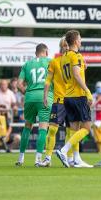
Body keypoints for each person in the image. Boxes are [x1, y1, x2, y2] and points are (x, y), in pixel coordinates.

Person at [56, 30, 93, 168]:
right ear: (76, 41)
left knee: (74, 129)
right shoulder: (76, 55)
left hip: (68, 96)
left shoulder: (64, 56)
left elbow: (72, 74)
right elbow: (77, 76)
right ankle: (63, 150)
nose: (81, 41)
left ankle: (76, 159)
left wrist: (82, 66)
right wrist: (88, 91)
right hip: (78, 96)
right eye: (80, 39)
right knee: (87, 128)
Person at [15, 43, 53, 167]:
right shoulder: (50, 62)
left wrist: (27, 92)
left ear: (36, 52)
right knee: (43, 127)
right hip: (45, 97)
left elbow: (18, 84)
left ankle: (21, 158)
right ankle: (38, 159)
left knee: (27, 126)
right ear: (46, 52)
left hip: (30, 97)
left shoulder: (27, 64)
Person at [40, 37, 69, 167]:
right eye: (64, 45)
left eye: (68, 45)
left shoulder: (76, 60)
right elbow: (48, 80)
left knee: (72, 130)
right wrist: (45, 96)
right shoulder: (54, 62)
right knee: (52, 130)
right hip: (59, 100)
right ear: (60, 47)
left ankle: (71, 158)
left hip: (73, 99)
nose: (66, 48)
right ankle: (47, 158)